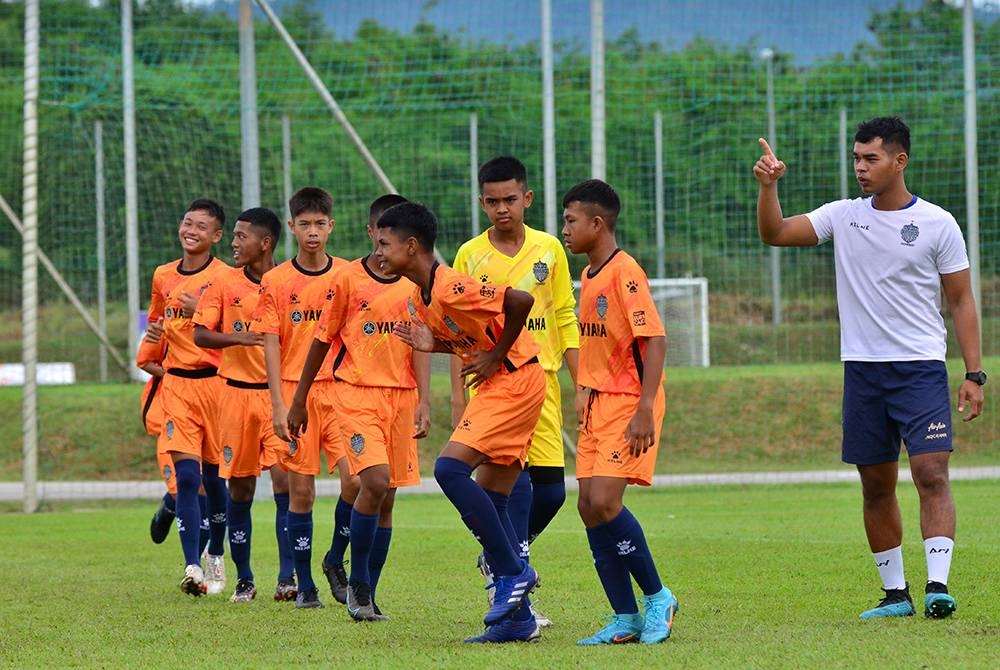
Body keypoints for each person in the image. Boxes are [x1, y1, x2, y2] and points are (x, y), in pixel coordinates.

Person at [753, 116, 985, 619]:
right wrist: (769, 188)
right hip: (862, 371)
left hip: (921, 369)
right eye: (856, 158)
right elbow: (774, 233)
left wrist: (974, 373)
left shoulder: (939, 223)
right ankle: (895, 595)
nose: (860, 168)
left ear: (899, 161)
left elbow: (962, 300)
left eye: (870, 158)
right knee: (875, 482)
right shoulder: (843, 216)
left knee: (931, 471)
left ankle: (937, 586)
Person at [377, 202, 544, 643]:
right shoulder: (421, 297)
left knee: (450, 469)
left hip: (515, 380)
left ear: (411, 246)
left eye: (384, 244)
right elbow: (473, 338)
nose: (377, 254)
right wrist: (438, 347)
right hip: (501, 383)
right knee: (494, 497)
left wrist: (497, 353)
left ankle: (512, 572)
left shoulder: (452, 286)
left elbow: (520, 301)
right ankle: (519, 621)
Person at [288, 194, 431, 621]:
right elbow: (320, 340)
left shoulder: (416, 286)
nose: (386, 248)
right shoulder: (348, 280)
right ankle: (360, 585)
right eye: (381, 237)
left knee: (386, 498)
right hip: (355, 395)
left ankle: (366, 590)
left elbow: (421, 343)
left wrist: (425, 399)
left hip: (401, 399)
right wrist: (299, 399)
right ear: (372, 233)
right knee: (374, 480)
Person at [450, 157, 578, 627]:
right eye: (492, 201)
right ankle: (514, 587)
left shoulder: (550, 249)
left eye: (510, 199)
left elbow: (564, 314)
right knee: (512, 487)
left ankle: (499, 556)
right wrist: (459, 394)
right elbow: (458, 328)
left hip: (542, 381)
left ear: (526, 198)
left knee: (551, 493)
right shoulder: (469, 255)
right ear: (482, 202)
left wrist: (580, 383)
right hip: (493, 383)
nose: (502, 209)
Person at [560, 179, 678, 645]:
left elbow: (655, 339)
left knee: (606, 501)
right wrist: (583, 390)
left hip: (629, 402)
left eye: (571, 221)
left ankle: (658, 596)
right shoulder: (589, 275)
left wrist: (646, 407)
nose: (565, 229)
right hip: (597, 402)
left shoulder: (624, 272)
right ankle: (624, 616)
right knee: (589, 507)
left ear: (597, 223)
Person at [254, 186, 358, 609]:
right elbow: (271, 343)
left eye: (320, 224)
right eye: (305, 225)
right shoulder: (276, 281)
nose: (312, 232)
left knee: (355, 480)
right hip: (295, 395)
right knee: (303, 494)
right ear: (293, 226)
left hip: (340, 394)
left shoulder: (348, 276)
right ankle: (305, 587)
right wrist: (279, 404)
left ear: (331, 226)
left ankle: (335, 558)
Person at [192, 207, 298, 603]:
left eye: (241, 237)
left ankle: (288, 577)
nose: (234, 244)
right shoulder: (222, 283)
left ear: (265, 243)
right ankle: (245, 579)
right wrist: (241, 340)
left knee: (286, 482)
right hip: (234, 394)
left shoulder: (289, 282)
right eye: (233, 236)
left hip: (279, 396)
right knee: (240, 488)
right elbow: (201, 334)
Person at [145, 198, 231, 596]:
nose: (190, 230)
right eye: (186, 222)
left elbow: (238, 328)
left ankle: (216, 553)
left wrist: (208, 313)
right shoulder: (163, 275)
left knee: (215, 480)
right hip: (177, 386)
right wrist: (153, 336)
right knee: (188, 476)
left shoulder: (226, 278)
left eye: (201, 226)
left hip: (218, 386)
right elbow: (157, 322)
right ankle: (192, 566)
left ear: (216, 236)